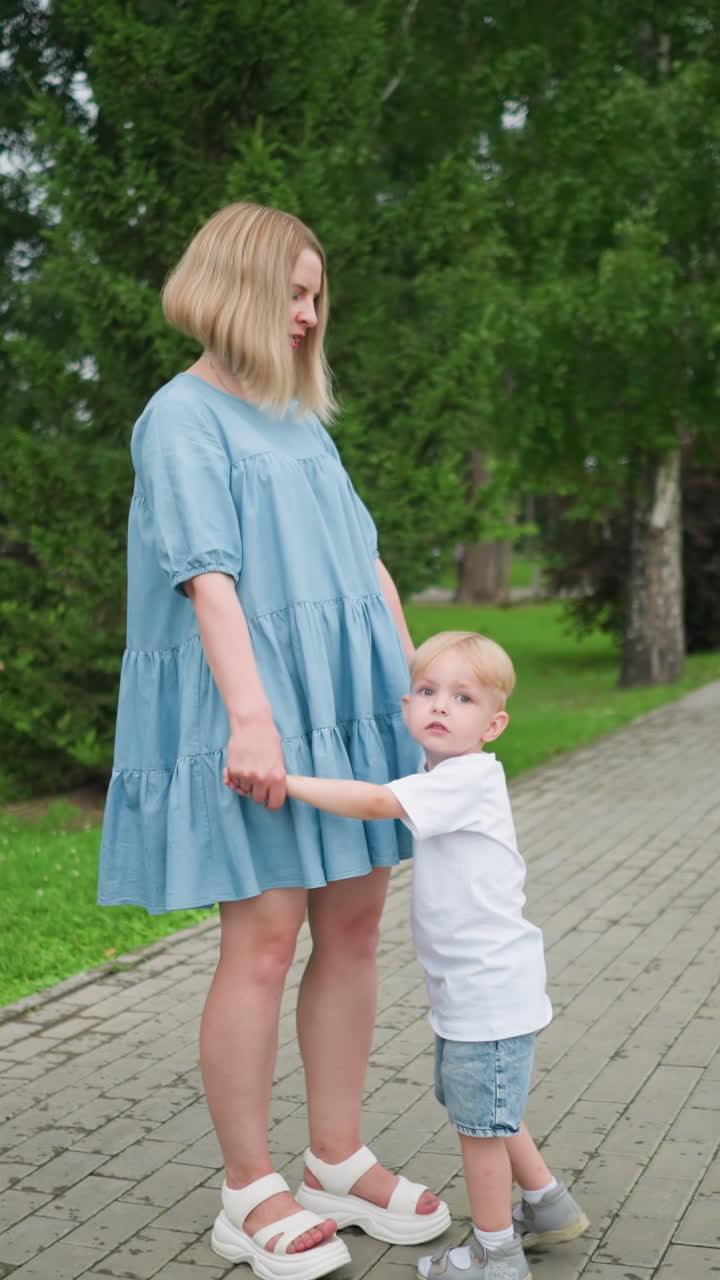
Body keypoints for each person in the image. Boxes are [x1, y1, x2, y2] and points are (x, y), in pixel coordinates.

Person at [97, 202, 451, 1280]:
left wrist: (416, 689)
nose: (306, 316)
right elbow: (208, 579)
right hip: (255, 700)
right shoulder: (180, 417)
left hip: (347, 704)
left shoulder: (301, 419)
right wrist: (252, 717)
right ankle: (247, 1188)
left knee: (355, 922)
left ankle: (336, 1160)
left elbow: (369, 564)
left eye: (315, 297)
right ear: (234, 286)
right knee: (262, 937)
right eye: (291, 294)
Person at [272, 630, 590, 1280]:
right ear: (407, 703)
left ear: (494, 723)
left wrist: (288, 782)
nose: (441, 706)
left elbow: (373, 803)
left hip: (488, 990)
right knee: (486, 1108)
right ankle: (547, 1205)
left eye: (463, 697)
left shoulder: (466, 779)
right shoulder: (440, 773)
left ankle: (496, 1254)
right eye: (427, 692)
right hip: (472, 989)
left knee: (479, 1127)